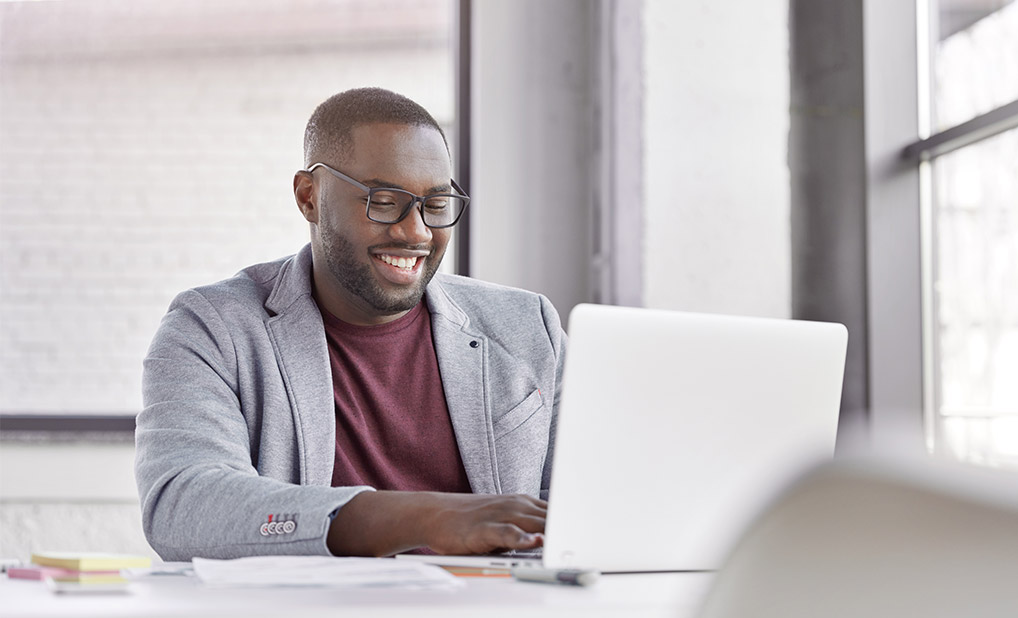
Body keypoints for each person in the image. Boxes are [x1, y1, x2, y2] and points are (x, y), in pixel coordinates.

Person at [135, 87, 566, 561]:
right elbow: (183, 505)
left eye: (436, 205)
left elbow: (589, 504)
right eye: (384, 201)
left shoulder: (528, 326)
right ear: (309, 197)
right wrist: (425, 518)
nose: (416, 231)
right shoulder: (213, 329)